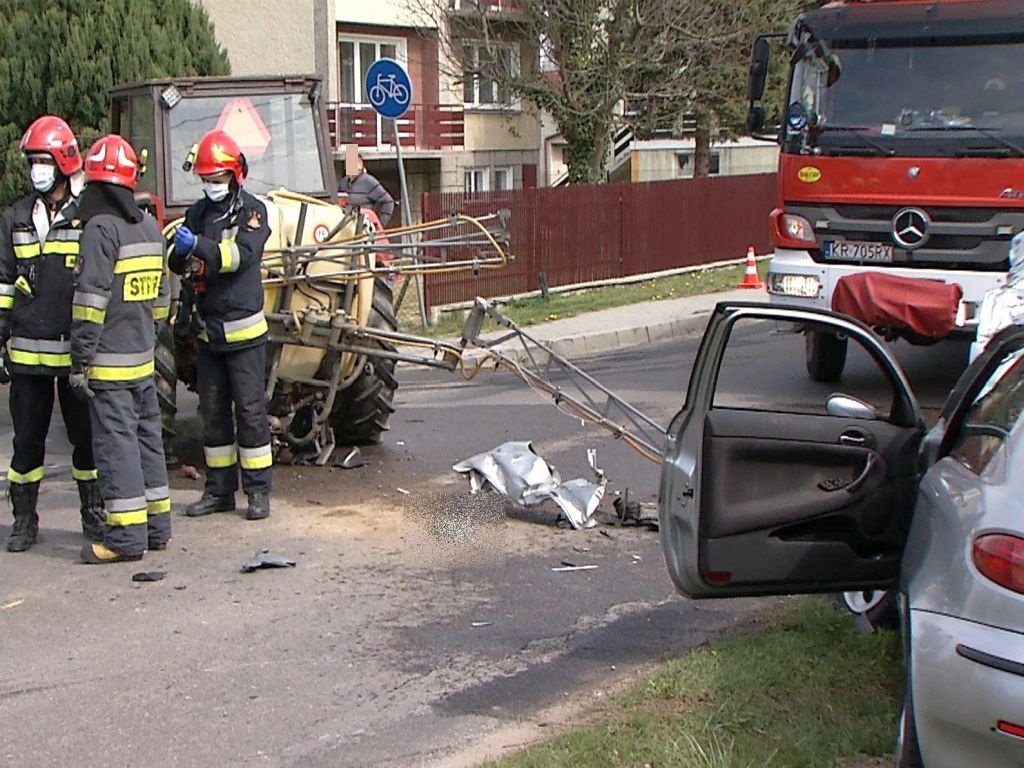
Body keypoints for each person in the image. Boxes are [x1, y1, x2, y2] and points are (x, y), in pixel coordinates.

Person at [0, 115, 103, 552]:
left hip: (73, 354)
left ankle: (93, 516)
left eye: (43, 161)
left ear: (63, 163)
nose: (37, 170)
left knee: (86, 442)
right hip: (26, 356)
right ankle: (24, 520)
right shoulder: (15, 217)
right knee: (26, 444)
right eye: (32, 162)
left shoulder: (87, 216)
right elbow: (3, 282)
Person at [71, 134, 171, 564]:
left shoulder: (100, 230)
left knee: (117, 447)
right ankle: (156, 527)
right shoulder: (149, 226)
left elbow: (89, 303)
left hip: (109, 365)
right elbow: (163, 301)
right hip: (143, 361)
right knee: (148, 440)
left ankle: (126, 538)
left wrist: (80, 360)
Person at [169, 129, 273, 521]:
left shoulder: (253, 211)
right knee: (212, 415)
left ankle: (258, 493)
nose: (212, 185)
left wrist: (197, 247)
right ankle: (219, 491)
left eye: (218, 178)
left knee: (250, 414)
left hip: (244, 335)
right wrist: (178, 254)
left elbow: (237, 258)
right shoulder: (197, 214)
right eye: (206, 179)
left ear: (235, 175)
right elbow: (179, 264)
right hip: (209, 334)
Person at [337, 153, 395, 226]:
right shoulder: (343, 182)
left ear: (360, 164)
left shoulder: (369, 181)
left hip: (364, 227)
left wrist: (378, 225)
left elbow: (388, 201)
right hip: (346, 226)